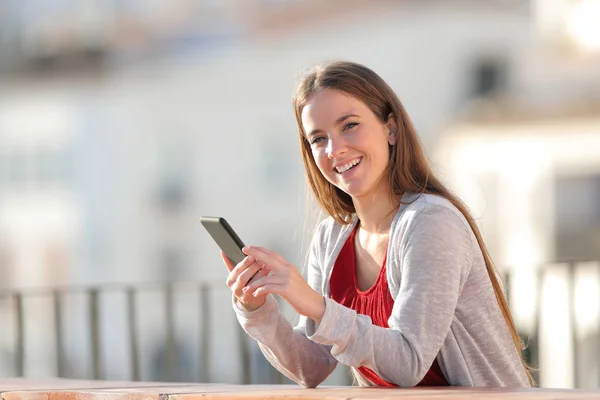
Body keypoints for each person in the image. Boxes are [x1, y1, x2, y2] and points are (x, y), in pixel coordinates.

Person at [221, 61, 533, 388]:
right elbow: (312, 368)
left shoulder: (431, 223)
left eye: (350, 125)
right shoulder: (332, 238)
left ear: (391, 129)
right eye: (318, 139)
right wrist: (257, 310)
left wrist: (313, 303)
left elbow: (408, 362)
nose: (335, 149)